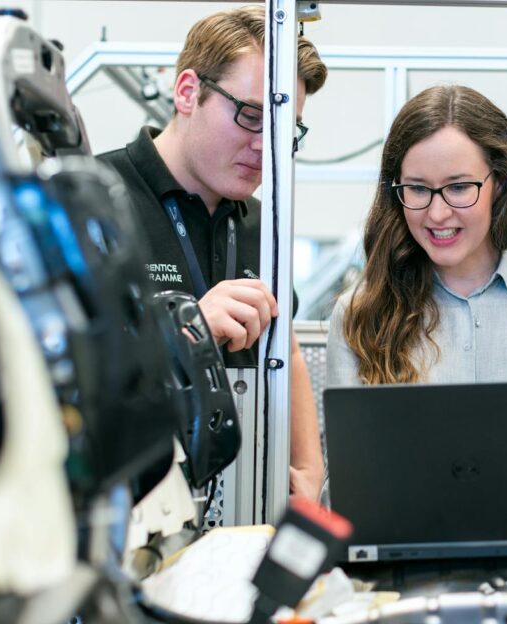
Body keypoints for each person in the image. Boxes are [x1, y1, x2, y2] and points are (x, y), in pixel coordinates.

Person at [97, 6, 326, 501]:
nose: (265, 146)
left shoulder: (263, 223)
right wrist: (187, 330)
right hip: (131, 501)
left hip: (242, 503)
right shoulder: (94, 202)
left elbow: (284, 348)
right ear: (187, 92)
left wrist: (308, 469)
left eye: (286, 129)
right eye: (250, 115)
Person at [326, 85, 507, 386]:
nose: (438, 213)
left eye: (458, 187)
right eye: (417, 188)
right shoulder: (358, 316)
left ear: (500, 184)